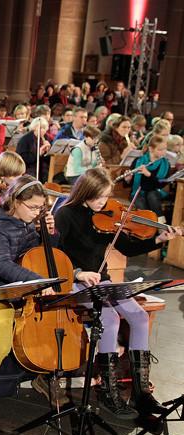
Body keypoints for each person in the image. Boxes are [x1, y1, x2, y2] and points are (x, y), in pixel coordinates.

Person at [55, 168, 182, 418]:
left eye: (106, 196)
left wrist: (159, 239)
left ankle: (141, 393)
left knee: (139, 317)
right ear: (86, 192)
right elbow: (54, 254)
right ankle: (109, 392)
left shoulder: (107, 217)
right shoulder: (65, 215)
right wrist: (79, 272)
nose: (104, 203)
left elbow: (127, 247)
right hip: (75, 280)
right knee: (110, 318)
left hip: (100, 280)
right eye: (99, 197)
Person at [0, 176, 61, 418]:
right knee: (0, 342)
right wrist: (36, 280)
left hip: (24, 293)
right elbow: (2, 265)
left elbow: (44, 253)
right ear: (16, 201)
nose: (37, 212)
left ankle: (48, 379)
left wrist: (49, 231)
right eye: (33, 207)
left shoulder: (28, 222)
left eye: (40, 208)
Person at [129, 135, 171, 219]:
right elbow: (132, 183)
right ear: (151, 149)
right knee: (141, 202)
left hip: (156, 191)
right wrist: (128, 179)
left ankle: (160, 224)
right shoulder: (138, 161)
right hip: (139, 192)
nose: (163, 152)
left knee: (152, 196)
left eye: (165, 149)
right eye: (160, 149)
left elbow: (161, 184)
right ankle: (144, 228)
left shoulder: (166, 164)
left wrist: (149, 174)